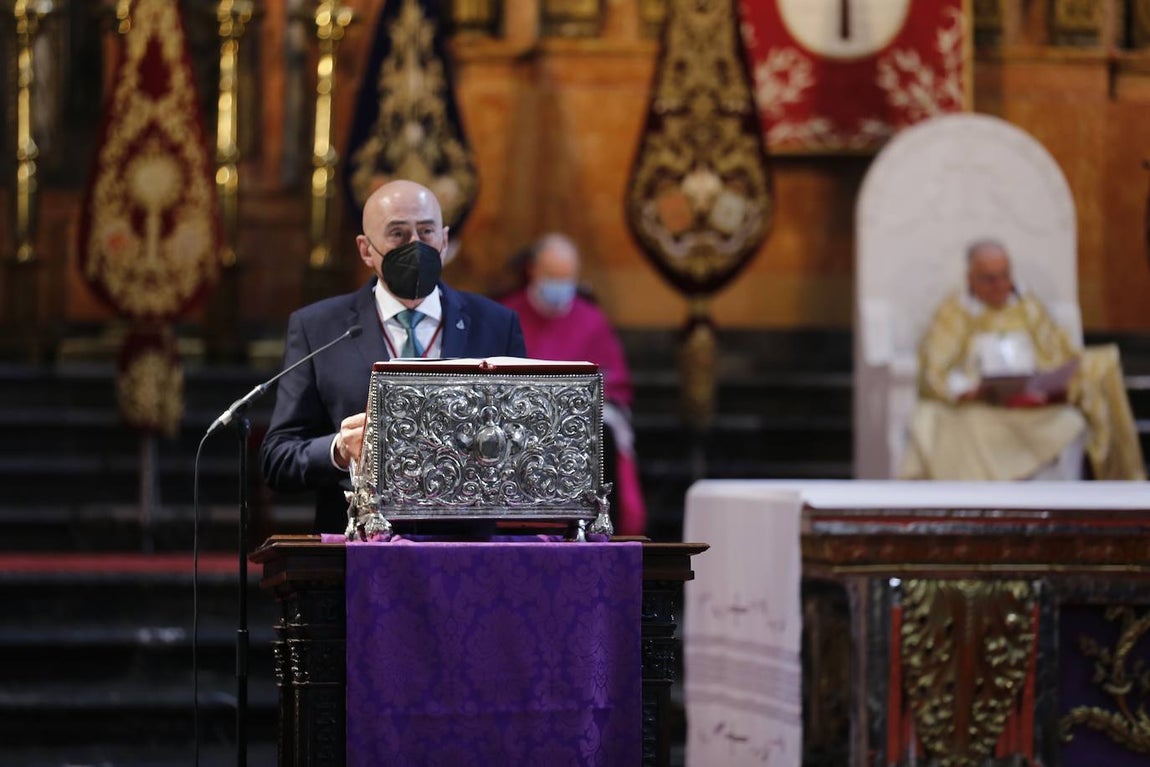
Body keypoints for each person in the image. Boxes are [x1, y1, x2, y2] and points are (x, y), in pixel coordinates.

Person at [260, 179, 527, 533]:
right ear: (366, 249)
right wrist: (339, 450)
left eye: (426, 231)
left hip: (466, 545)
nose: (415, 246)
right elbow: (278, 458)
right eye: (398, 234)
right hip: (358, 549)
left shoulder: (496, 324)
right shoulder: (319, 328)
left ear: (445, 241)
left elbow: (525, 445)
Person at [900, 239, 1144, 481]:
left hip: (1032, 408)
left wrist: (1046, 383)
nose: (999, 285)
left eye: (1004, 276)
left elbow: (1058, 355)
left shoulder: (1028, 307)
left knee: (1071, 424)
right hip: (980, 407)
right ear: (970, 279)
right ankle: (983, 507)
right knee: (955, 429)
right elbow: (935, 371)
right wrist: (968, 390)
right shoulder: (954, 313)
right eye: (988, 279)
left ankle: (1056, 506)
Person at [499, 233, 648, 535]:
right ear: (533, 271)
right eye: (553, 276)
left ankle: (601, 527)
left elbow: (615, 382)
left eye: (567, 277)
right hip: (519, 418)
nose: (560, 285)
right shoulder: (506, 315)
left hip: (578, 419)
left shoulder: (592, 320)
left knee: (604, 430)